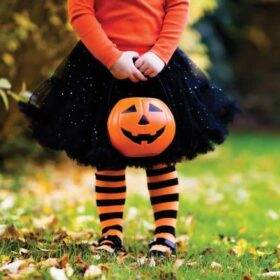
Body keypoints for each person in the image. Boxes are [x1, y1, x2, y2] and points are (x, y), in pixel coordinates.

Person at [18, 0, 239, 258]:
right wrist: (112, 58)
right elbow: (80, 13)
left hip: (157, 66)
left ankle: (165, 234)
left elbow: (178, 5)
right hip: (102, 68)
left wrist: (160, 54)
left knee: (162, 155)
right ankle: (111, 234)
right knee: (107, 157)